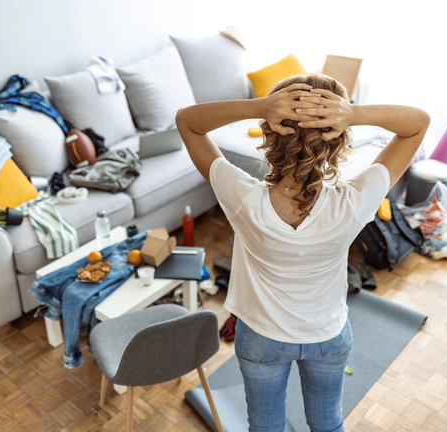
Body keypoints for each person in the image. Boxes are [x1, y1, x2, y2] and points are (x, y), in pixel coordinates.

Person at [175, 73, 430, 432]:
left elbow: (187, 121)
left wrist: (259, 106)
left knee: (265, 427)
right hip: (328, 337)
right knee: (328, 423)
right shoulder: (354, 202)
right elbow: (418, 124)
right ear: (338, 140)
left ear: (269, 134)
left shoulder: (241, 197)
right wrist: (351, 113)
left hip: (262, 339)